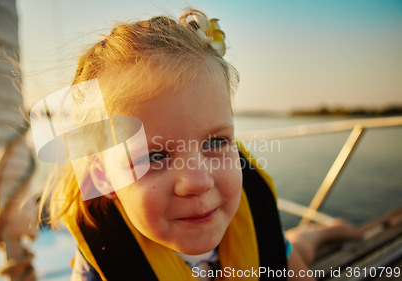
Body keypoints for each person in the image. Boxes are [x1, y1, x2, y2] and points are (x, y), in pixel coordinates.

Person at [38, 8, 362, 281]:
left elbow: (284, 264)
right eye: (155, 155)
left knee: (297, 247)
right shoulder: (101, 261)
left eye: (216, 142)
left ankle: (324, 232)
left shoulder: (254, 205)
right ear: (102, 177)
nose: (197, 181)